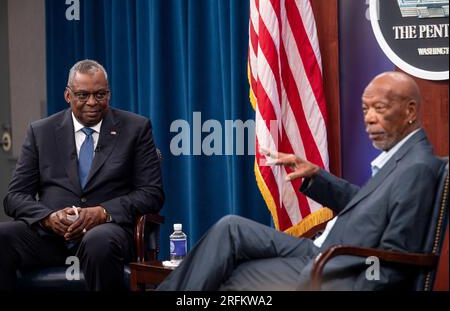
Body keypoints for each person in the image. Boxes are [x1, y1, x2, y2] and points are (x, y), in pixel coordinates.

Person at [157, 71, 443, 291]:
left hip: (338, 267)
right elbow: (366, 209)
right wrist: (316, 176)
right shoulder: (401, 157)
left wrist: (331, 281)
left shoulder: (416, 168)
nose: (369, 119)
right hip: (327, 251)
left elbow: (395, 259)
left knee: (233, 276)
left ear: (410, 111)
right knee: (231, 229)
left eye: (379, 108)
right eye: (366, 109)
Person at [0, 59, 164, 291]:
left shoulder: (136, 128)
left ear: (109, 94)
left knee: (98, 242)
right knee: (3, 236)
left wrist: (102, 213)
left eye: (99, 95)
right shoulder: (41, 131)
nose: (92, 102)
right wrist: (48, 218)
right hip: (51, 237)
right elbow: (15, 196)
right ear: (68, 95)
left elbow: (152, 194)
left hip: (106, 233)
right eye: (82, 95)